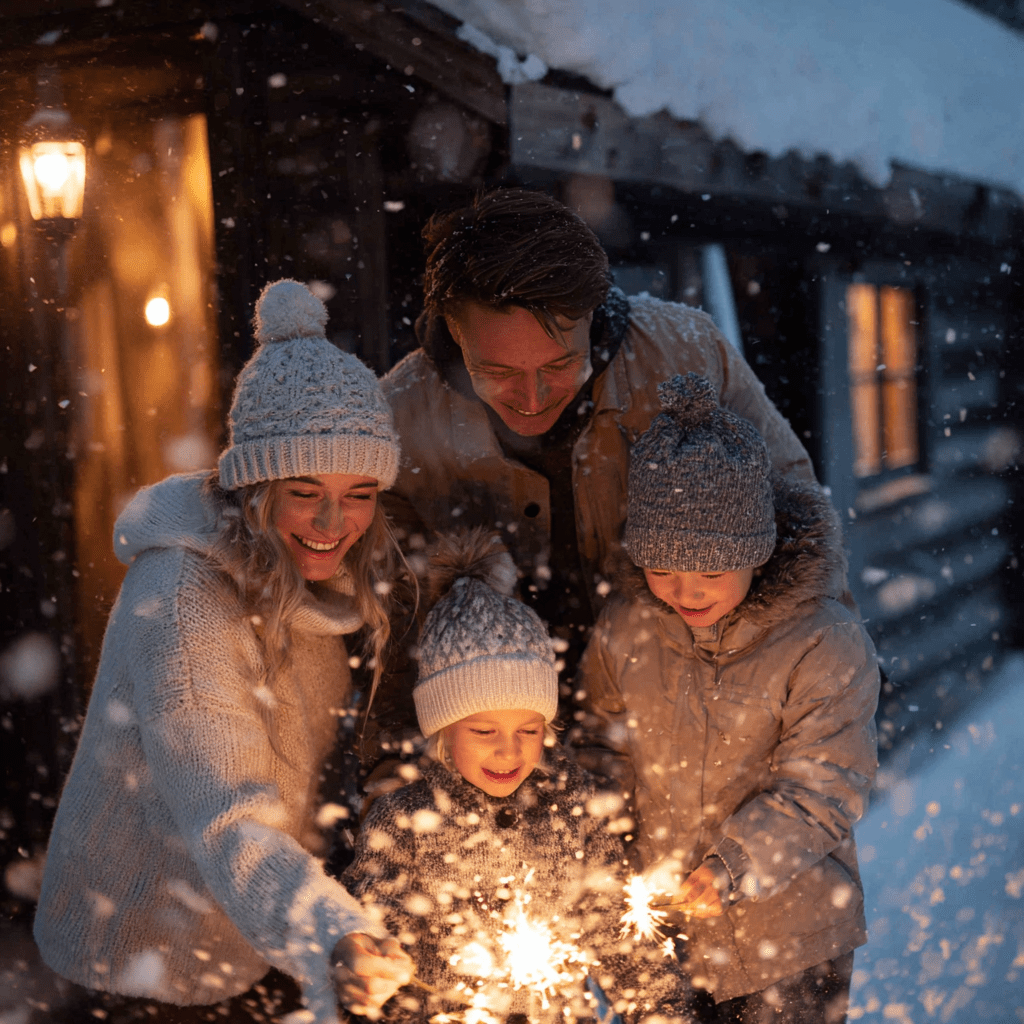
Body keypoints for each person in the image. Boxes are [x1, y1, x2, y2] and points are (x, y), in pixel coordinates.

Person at [33, 280, 415, 1024]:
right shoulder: (182, 598)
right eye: (306, 489)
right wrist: (330, 931)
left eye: (361, 490)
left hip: (240, 944)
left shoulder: (320, 588)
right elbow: (227, 812)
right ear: (255, 487)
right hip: (134, 965)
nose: (337, 521)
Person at [378, 187, 827, 718]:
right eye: (498, 373)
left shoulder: (684, 354)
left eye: (557, 366)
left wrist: (820, 671)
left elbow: (797, 517)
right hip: (500, 741)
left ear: (593, 312)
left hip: (682, 714)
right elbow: (390, 613)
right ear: (455, 329)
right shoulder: (399, 417)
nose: (532, 398)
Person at [574, 374, 879, 1024]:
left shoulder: (821, 640)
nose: (685, 591)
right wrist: (601, 839)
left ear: (757, 554)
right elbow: (601, 745)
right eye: (663, 568)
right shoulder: (627, 627)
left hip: (789, 944)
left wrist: (734, 863)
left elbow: (826, 786)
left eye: (711, 571)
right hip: (662, 944)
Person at [339, 529, 695, 1024]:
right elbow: (371, 930)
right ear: (443, 730)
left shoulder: (572, 805)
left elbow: (618, 930)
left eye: (529, 729)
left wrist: (662, 1011)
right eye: (484, 730)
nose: (509, 750)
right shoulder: (403, 819)